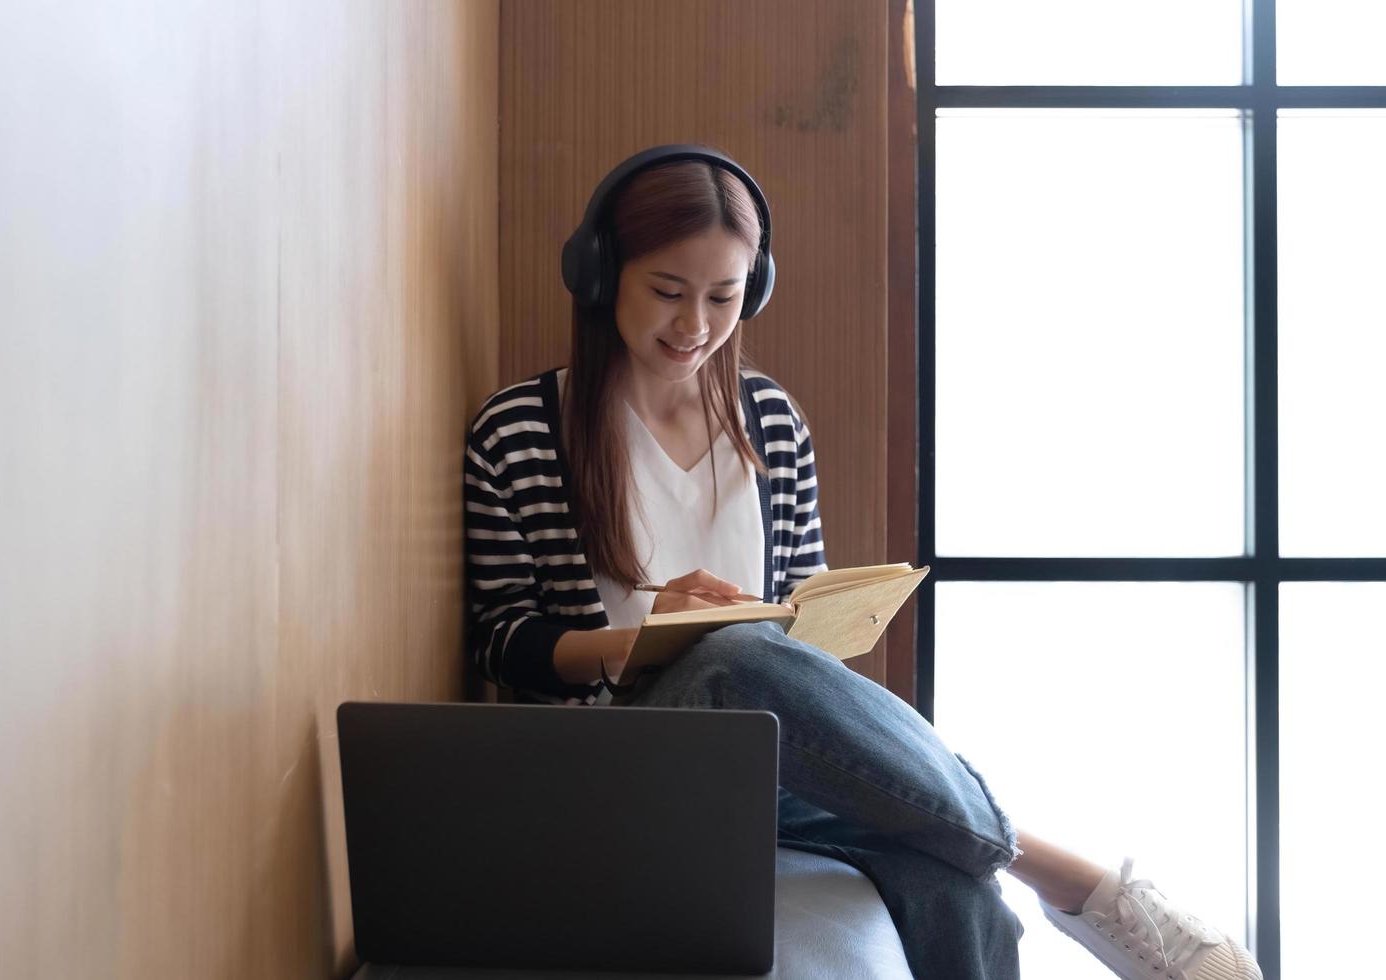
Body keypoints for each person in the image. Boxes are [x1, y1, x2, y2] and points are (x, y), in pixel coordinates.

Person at [463, 144, 1261, 980]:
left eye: (724, 297)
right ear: (599, 274)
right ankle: (1074, 880)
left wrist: (813, 628)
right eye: (667, 292)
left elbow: (798, 645)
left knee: (959, 891)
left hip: (762, 768)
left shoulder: (769, 422)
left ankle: (1023, 871)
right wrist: (638, 643)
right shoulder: (522, 429)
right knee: (730, 657)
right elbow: (500, 638)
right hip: (620, 771)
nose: (694, 325)